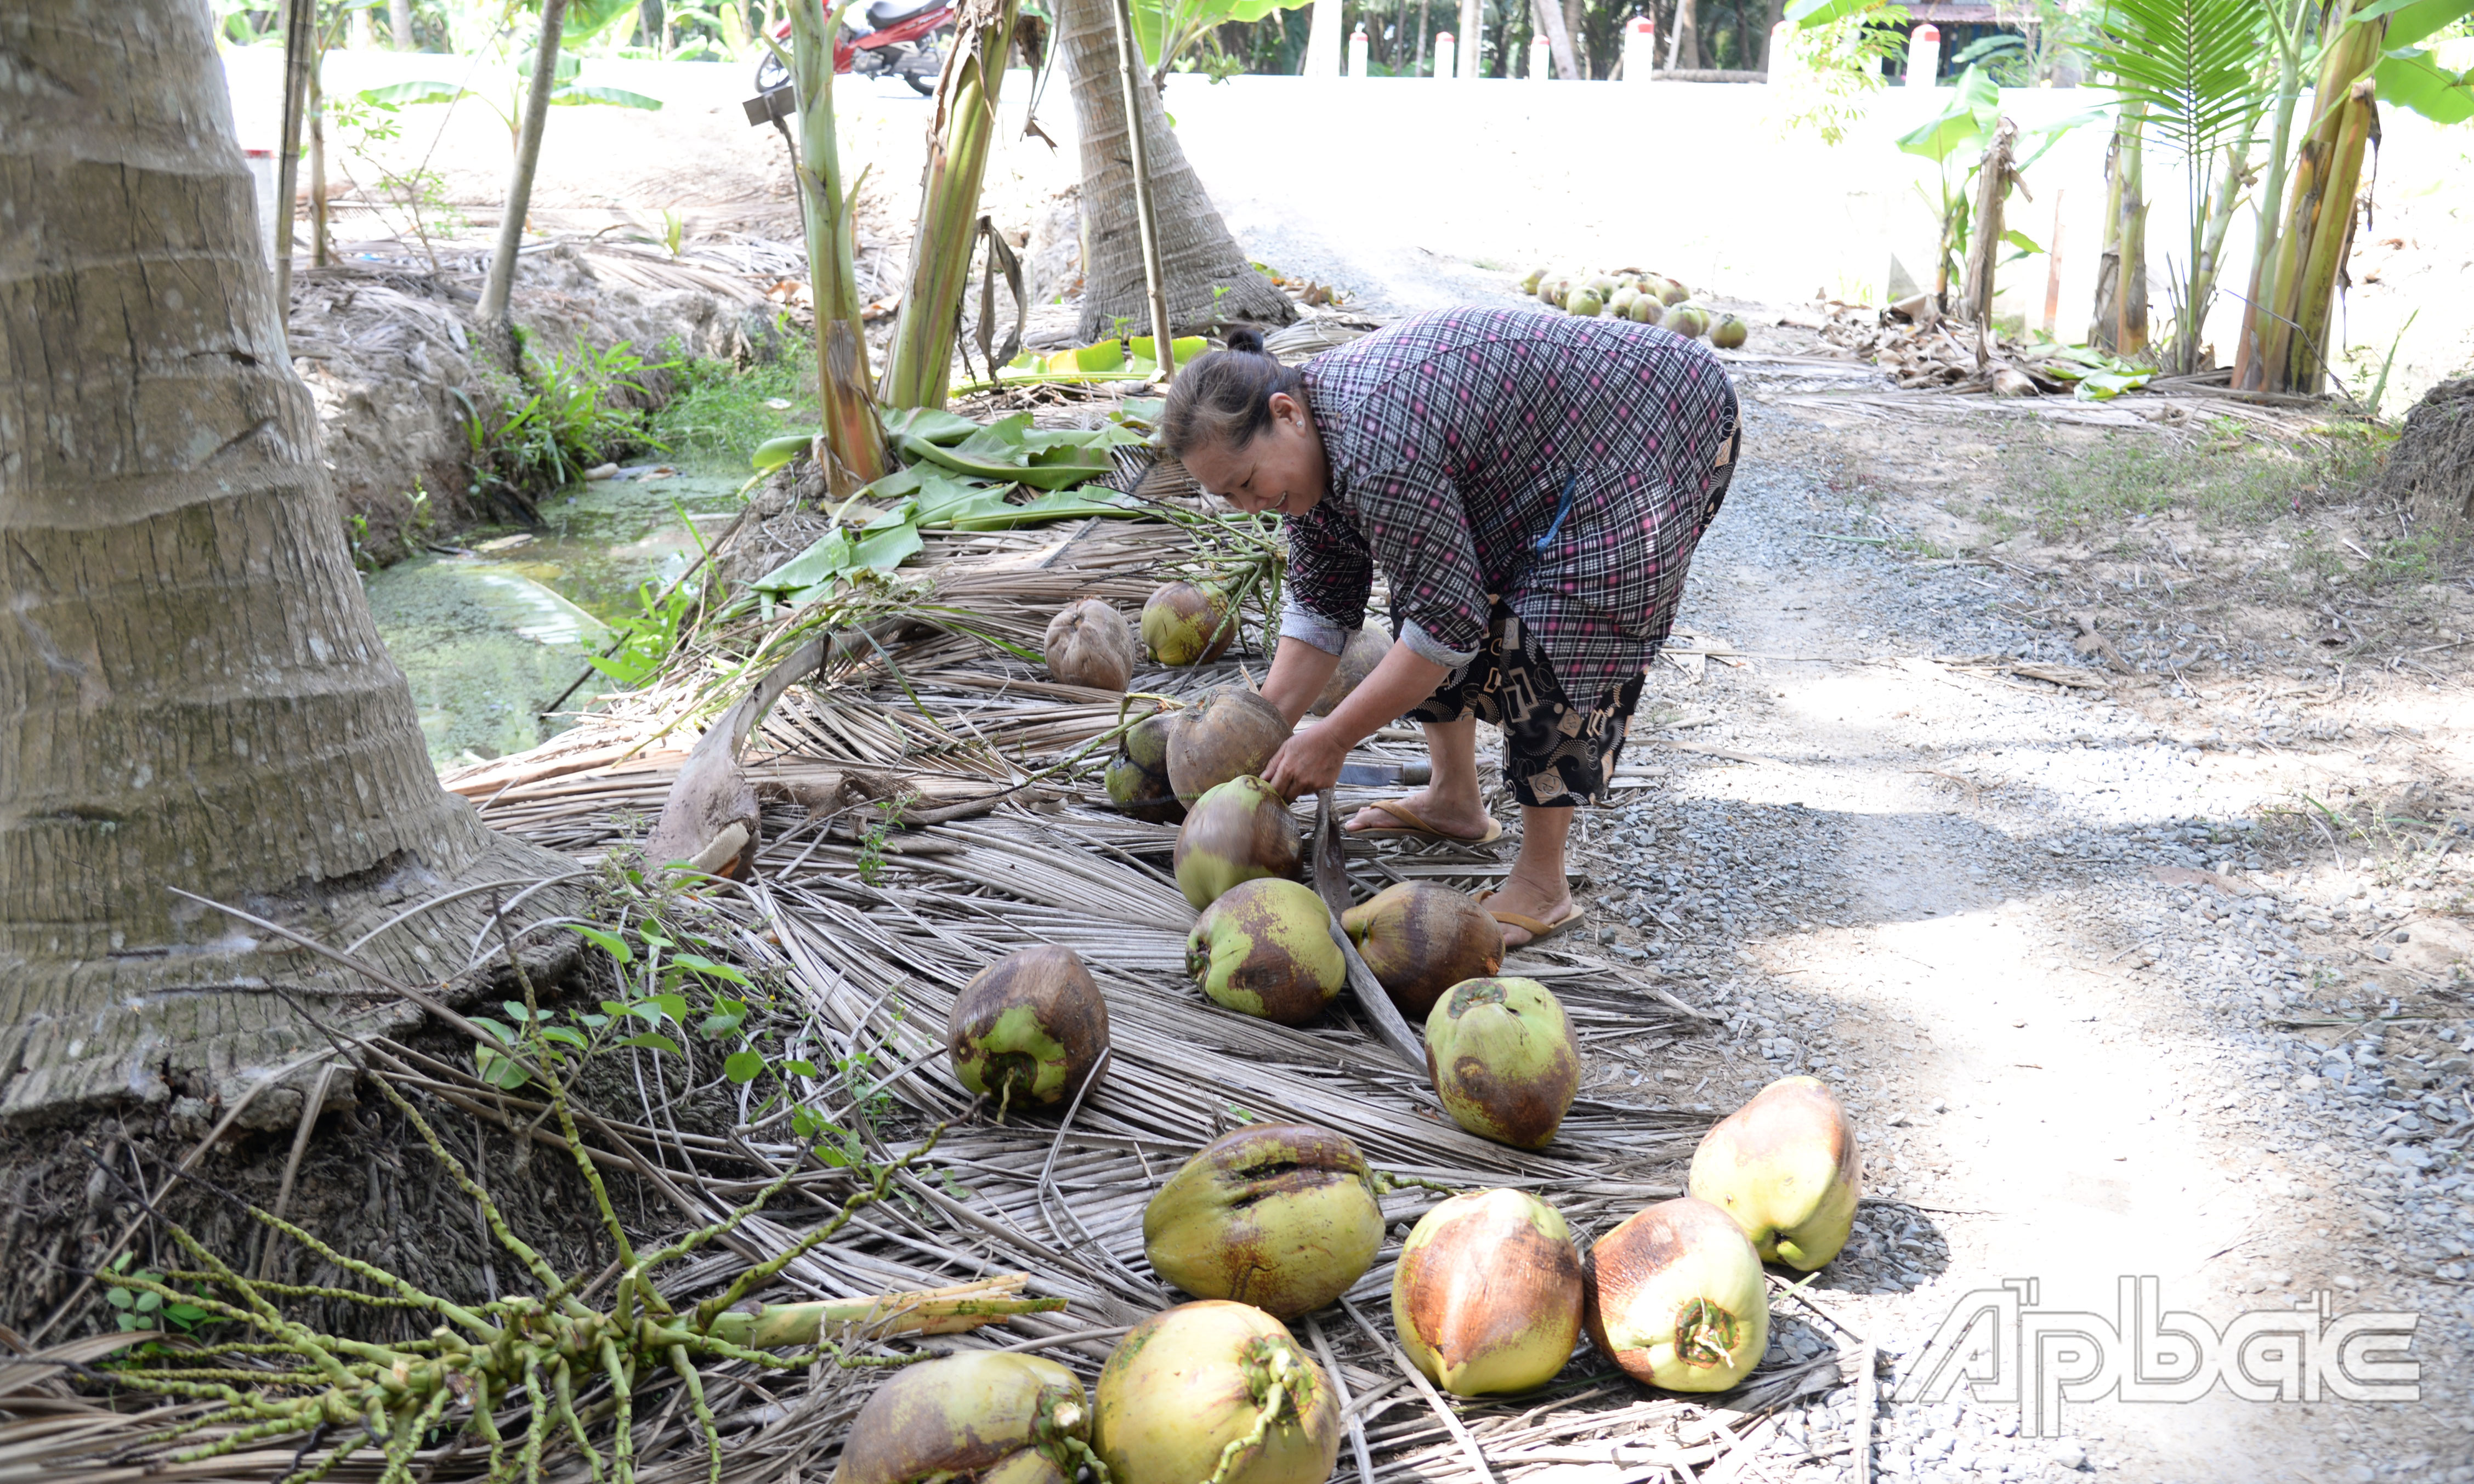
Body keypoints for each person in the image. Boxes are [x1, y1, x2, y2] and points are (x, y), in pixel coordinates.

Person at [1160, 306, 1740, 947]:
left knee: (1558, 634)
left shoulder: (1375, 448)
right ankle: (1455, 800)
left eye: (1248, 482)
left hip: (1656, 417)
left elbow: (1448, 628)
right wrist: (1257, 740)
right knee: (1429, 591)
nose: (1252, 507)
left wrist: (1333, 738)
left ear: (1286, 414)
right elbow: (1321, 607)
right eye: (1230, 497)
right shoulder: (1312, 447)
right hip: (1559, 439)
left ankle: (1543, 884)